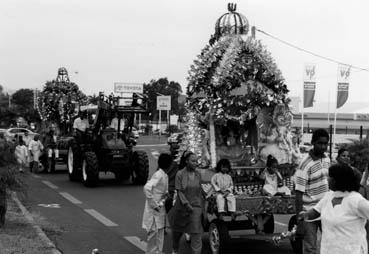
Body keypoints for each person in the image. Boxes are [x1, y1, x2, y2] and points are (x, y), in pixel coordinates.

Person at [299, 163, 369, 254]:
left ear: (338, 180)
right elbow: (316, 211)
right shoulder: (329, 196)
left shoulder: (357, 201)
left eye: (330, 177)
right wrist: (306, 214)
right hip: (328, 250)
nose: (327, 180)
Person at [295, 128, 330, 254]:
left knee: (329, 245)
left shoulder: (327, 159)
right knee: (310, 248)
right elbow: (298, 194)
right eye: (320, 143)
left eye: (326, 144)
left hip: (325, 210)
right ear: (312, 142)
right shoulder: (304, 164)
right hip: (309, 213)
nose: (323, 147)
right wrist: (299, 222)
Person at [169, 152, 204, 254]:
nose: (196, 163)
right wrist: (186, 204)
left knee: (196, 233)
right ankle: (175, 249)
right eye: (193, 161)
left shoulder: (198, 174)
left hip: (195, 208)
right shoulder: (180, 174)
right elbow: (179, 191)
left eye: (196, 161)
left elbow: (200, 189)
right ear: (186, 161)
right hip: (181, 208)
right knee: (177, 233)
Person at [142, 153, 173, 254]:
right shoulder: (159, 175)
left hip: (160, 208)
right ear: (169, 165)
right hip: (154, 209)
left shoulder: (164, 175)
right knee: (153, 235)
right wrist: (153, 204)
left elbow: (162, 190)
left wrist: (166, 195)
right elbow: (147, 188)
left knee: (159, 234)